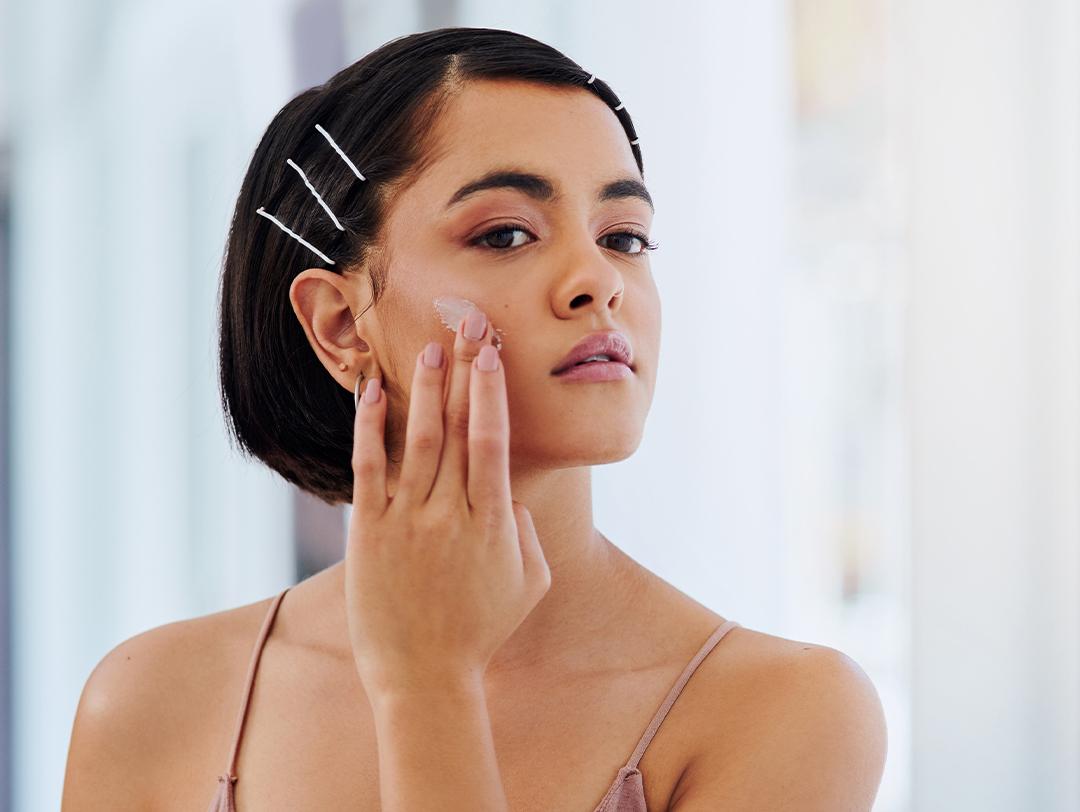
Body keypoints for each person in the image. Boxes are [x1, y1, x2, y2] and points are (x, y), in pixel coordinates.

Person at [62, 27, 887, 811]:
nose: (597, 282)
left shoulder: (784, 712)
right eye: (504, 233)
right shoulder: (151, 703)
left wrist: (428, 686)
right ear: (341, 326)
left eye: (625, 238)